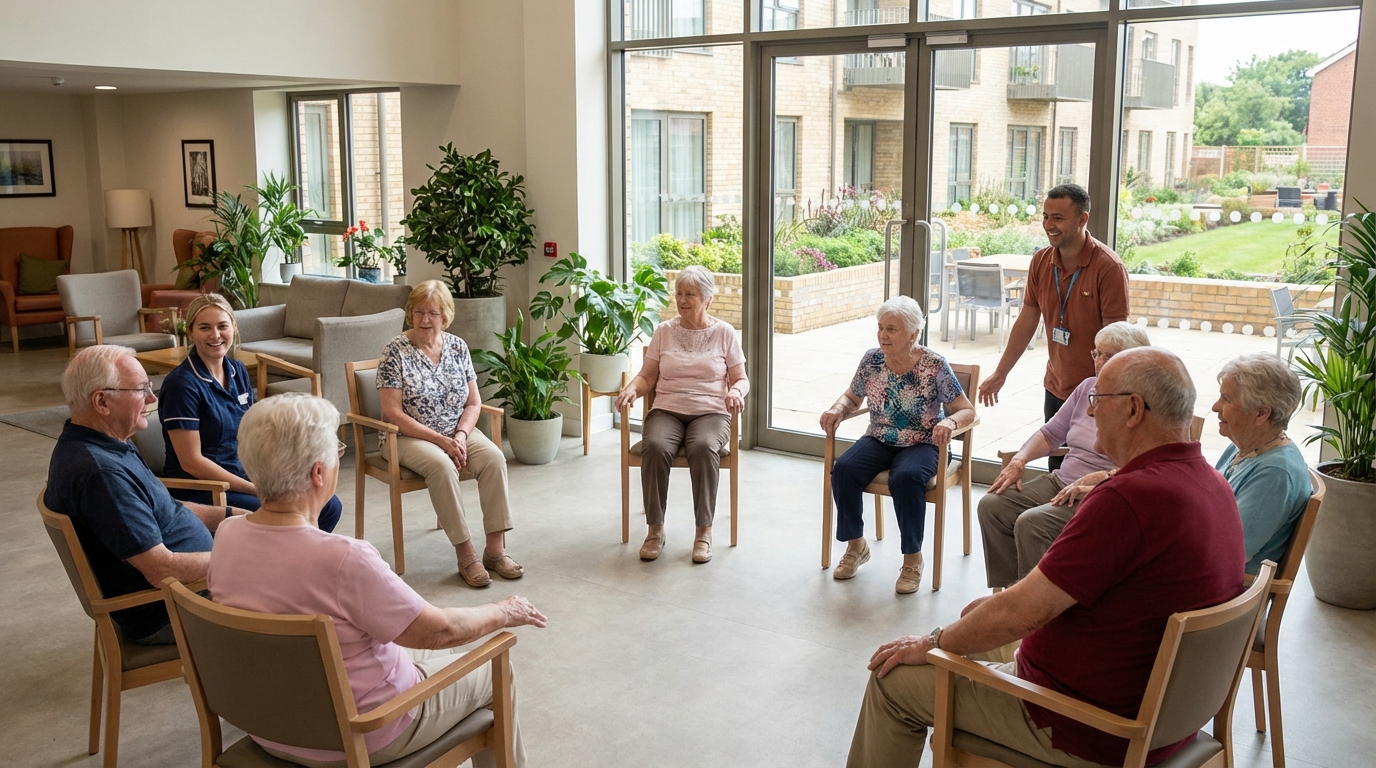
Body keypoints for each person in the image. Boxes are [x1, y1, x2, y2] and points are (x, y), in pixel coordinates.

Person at [847, 348, 1245, 767]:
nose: (1089, 415)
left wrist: (930, 643)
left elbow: (1022, 614)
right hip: (1163, 718)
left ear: (1132, 409)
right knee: (978, 622)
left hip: (1082, 724)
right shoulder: (1213, 483)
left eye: (1097, 401)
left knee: (894, 677)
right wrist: (995, 616)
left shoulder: (1128, 500)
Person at [209, 393, 547, 768]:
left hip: (269, 727)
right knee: (493, 668)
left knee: (417, 648)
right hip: (363, 732)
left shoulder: (227, 535)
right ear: (318, 473)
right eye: (337, 450)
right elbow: (440, 631)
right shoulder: (343, 558)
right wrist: (503, 610)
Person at [45, 345, 245, 645]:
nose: (153, 399)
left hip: (189, 591)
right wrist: (247, 559)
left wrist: (238, 517)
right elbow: (162, 570)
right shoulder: (102, 475)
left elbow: (167, 508)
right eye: (141, 390)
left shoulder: (106, 442)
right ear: (102, 401)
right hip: (171, 608)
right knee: (303, 591)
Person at [819, 296, 977, 594]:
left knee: (905, 478)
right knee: (844, 469)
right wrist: (837, 409)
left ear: (913, 334)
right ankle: (856, 546)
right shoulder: (872, 359)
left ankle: (912, 559)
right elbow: (852, 397)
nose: (883, 335)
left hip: (925, 442)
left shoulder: (934, 365)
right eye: (880, 327)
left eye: (891, 329)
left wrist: (949, 423)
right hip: (880, 437)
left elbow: (966, 409)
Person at [977, 321, 1149, 588]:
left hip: (1099, 492)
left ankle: (1038, 607)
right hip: (1062, 480)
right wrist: (1020, 459)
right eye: (1097, 353)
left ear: (1132, 360)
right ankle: (1010, 594)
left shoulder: (1139, 404)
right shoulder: (1087, 388)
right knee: (993, 505)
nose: (1099, 361)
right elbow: (1050, 433)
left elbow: (1147, 467)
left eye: (1109, 355)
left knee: (1031, 523)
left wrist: (1098, 479)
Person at [977, 184, 1130, 472]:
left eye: (1058, 218)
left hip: (1097, 390)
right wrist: (1001, 372)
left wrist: (1106, 390)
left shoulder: (1108, 268)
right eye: (1046, 217)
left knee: (1090, 471)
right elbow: (1027, 320)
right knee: (1057, 468)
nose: (1049, 225)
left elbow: (1118, 340)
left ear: (1082, 219)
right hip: (1057, 385)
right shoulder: (1041, 261)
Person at [378, 280, 520, 588]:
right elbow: (393, 413)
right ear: (409, 314)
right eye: (418, 312)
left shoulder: (458, 347)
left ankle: (495, 551)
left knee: (495, 458)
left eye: (433, 313)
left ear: (446, 316)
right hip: (406, 436)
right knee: (442, 466)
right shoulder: (395, 351)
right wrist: (441, 440)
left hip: (456, 432)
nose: (425, 320)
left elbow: (474, 402)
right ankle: (466, 554)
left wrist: (459, 435)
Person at [159, 294, 341, 532]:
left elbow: (254, 432)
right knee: (286, 512)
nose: (215, 335)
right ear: (191, 333)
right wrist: (255, 487)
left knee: (329, 505)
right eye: (205, 328)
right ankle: (283, 564)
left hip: (246, 474)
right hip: (205, 488)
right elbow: (192, 462)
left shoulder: (237, 370)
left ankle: (292, 563)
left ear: (233, 327)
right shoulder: (181, 385)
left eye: (222, 326)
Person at [615, 265, 748, 565]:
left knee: (702, 448)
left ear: (708, 299)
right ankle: (655, 530)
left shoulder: (724, 333)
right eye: (678, 293)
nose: (682, 299)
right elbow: (647, 375)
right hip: (668, 409)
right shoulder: (664, 331)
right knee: (657, 446)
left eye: (690, 294)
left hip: (711, 412)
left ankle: (703, 532)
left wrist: (736, 392)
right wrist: (632, 389)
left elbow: (741, 378)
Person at [1213, 353, 1313, 576]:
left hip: (1228, 595)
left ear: (1261, 413)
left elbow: (1229, 551)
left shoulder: (1275, 474)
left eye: (1226, 400)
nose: (1215, 407)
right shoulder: (1242, 446)